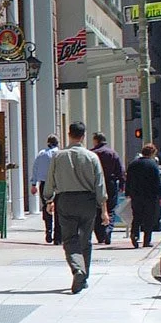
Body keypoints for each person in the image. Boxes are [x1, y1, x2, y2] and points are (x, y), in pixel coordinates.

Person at [42, 120, 108, 293]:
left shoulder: (59, 156)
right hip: (87, 201)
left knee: (70, 239)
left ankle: (78, 269)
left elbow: (50, 180)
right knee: (86, 240)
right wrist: (104, 210)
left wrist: (49, 200)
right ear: (84, 136)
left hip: (65, 201)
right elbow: (100, 184)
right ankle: (84, 276)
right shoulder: (92, 157)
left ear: (68, 134)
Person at [125, 142, 161, 248]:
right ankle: (146, 240)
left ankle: (134, 235)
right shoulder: (153, 165)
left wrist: (127, 192)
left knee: (137, 216)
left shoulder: (133, 164)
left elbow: (128, 180)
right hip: (150, 196)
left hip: (136, 195)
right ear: (152, 153)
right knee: (149, 218)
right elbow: (157, 182)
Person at [91, 132, 125, 245]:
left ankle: (100, 236)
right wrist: (121, 184)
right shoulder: (112, 153)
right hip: (110, 183)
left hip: (95, 184)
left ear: (96, 141)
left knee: (96, 210)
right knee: (110, 209)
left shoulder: (91, 154)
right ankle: (108, 230)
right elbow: (120, 171)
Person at [30, 136, 60, 242]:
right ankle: (58, 236)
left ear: (48, 143)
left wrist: (33, 184)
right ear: (57, 143)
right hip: (57, 184)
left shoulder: (41, 154)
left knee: (46, 207)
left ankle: (48, 231)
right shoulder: (59, 154)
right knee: (58, 209)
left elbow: (35, 168)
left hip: (44, 184)